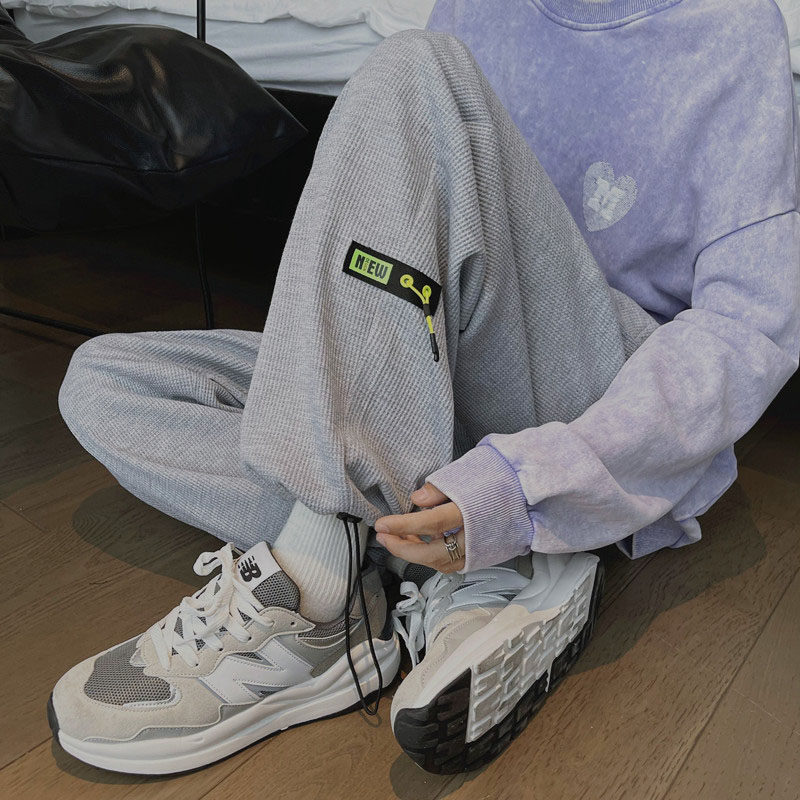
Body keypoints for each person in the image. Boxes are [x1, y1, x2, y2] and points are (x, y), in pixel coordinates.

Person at [49, 0, 799, 778]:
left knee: (414, 66)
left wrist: (537, 480)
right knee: (106, 382)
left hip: (594, 390)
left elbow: (749, 329)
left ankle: (316, 588)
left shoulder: (728, 27)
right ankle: (455, 555)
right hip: (446, 364)